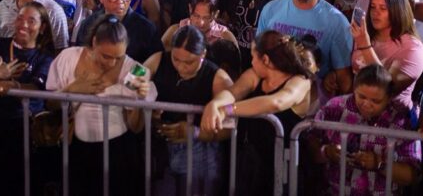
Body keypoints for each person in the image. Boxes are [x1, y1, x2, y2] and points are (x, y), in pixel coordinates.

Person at [46, 16, 156, 196]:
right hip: (79, 149)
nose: (111, 63)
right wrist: (72, 89)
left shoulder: (135, 70)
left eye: (118, 57)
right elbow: (50, 103)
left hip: (118, 153)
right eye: (106, 56)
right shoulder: (69, 57)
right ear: (94, 42)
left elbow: (136, 127)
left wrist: (141, 101)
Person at [202, 30, 315, 196]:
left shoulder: (301, 81)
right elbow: (233, 93)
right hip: (251, 162)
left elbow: (276, 102)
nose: (252, 62)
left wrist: (228, 110)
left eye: (254, 57)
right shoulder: (255, 75)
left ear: (266, 60)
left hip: (284, 164)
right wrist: (215, 104)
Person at [0, 2, 56, 195]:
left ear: (42, 27)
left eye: (31, 20)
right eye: (20, 18)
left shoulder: (44, 57)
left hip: (26, 131)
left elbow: (37, 87)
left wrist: (12, 86)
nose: (23, 24)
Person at [144, 25, 234, 196]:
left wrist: (194, 132)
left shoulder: (219, 79)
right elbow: (132, 77)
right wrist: (144, 99)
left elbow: (229, 128)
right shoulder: (157, 58)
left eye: (189, 62)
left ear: (203, 54)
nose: (181, 67)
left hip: (201, 154)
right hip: (160, 149)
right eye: (176, 59)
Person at [314, 64, 422, 196]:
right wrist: (327, 151)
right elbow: (310, 142)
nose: (366, 104)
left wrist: (380, 164)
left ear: (388, 98)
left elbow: (412, 175)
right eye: (361, 97)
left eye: (376, 101)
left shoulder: (401, 120)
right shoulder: (334, 107)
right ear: (354, 88)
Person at [257, 0, 354, 96]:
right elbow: (259, 55)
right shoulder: (271, 9)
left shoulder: (336, 21)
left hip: (312, 101)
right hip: (270, 94)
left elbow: (344, 78)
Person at [350, 0, 423, 109]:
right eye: (373, 7)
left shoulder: (413, 48)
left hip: (393, 113)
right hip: (357, 106)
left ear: (397, 11)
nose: (376, 13)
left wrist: (364, 45)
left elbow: (388, 88)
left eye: (383, 8)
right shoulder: (367, 34)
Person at [76, 0, 162, 63]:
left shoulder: (146, 28)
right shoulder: (89, 24)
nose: (120, 1)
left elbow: (156, 64)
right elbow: (80, 57)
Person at [161, 0, 237, 50]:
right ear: (190, 9)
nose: (201, 23)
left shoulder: (226, 37)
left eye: (207, 17)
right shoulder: (174, 31)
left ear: (216, 14)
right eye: (196, 16)